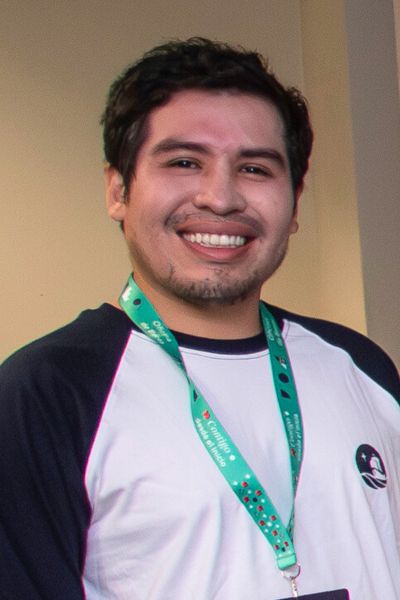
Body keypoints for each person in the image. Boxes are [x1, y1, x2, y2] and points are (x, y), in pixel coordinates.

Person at [0, 37, 399, 600]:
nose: (220, 197)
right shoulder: (48, 393)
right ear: (118, 189)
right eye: (184, 162)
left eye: (255, 168)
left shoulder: (360, 365)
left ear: (295, 201)